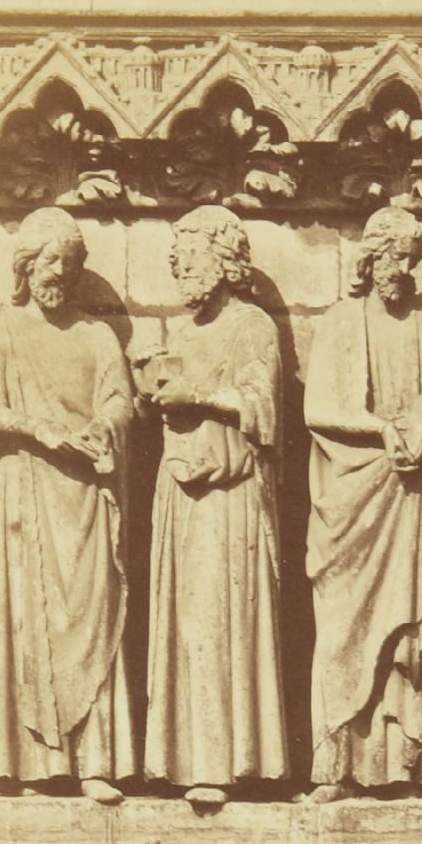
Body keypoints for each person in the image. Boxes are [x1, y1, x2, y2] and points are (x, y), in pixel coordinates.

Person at [304, 206, 422, 797]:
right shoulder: (340, 322)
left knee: (415, 631)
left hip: (418, 493)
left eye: (411, 259)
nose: (402, 269)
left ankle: (412, 764)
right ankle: (339, 766)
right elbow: (317, 408)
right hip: (353, 495)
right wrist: (385, 430)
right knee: (342, 627)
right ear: (369, 258)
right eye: (393, 257)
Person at [0, 209, 135, 803]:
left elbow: (121, 400)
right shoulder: (1, 331)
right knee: (29, 618)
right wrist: (39, 428)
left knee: (91, 621)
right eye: (47, 261)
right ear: (26, 266)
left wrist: (101, 427)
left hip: (87, 493)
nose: (57, 274)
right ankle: (33, 765)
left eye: (68, 263)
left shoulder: (97, 335)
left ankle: (94, 761)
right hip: (26, 487)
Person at [138, 205, 287, 806]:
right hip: (181, 490)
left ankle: (232, 761)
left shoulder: (252, 325)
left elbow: (263, 405)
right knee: (188, 622)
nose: (179, 265)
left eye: (190, 254)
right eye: (176, 257)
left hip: (232, 495)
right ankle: (187, 759)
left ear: (224, 261)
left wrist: (196, 393)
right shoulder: (182, 332)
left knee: (226, 618)